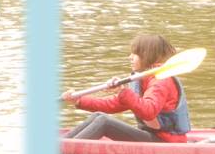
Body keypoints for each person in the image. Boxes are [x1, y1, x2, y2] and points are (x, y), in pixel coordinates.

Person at [62, 34, 191, 143]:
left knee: (104, 122)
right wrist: (79, 100)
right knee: (98, 116)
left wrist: (122, 91)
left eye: (135, 54)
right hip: (150, 136)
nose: (130, 57)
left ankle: (65, 152)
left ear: (147, 55)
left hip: (165, 142)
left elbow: (149, 111)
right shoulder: (142, 79)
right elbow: (113, 104)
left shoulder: (162, 80)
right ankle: (62, 146)